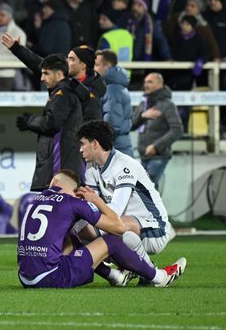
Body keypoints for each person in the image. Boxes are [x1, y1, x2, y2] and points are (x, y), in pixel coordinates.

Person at [17, 169, 187, 288]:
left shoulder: (33, 200)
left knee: (71, 237)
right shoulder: (73, 202)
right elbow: (119, 227)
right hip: (51, 277)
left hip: (25, 277)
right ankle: (159, 277)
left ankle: (116, 277)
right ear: (75, 191)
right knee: (111, 241)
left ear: (53, 182)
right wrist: (96, 200)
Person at [76, 120, 177, 285]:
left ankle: (148, 272)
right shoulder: (91, 168)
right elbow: (92, 208)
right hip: (126, 228)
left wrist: (94, 201)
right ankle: (124, 274)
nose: (80, 149)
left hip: (155, 229)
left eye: (83, 144)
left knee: (112, 227)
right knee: (78, 231)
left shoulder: (124, 166)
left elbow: (114, 211)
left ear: (95, 144)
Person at [15, 54, 84, 191]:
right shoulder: (60, 92)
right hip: (58, 163)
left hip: (58, 165)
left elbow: (51, 123)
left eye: (46, 74)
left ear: (59, 74)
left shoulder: (62, 93)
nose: (42, 78)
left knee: (58, 204)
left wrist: (30, 121)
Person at [131, 73, 183, 189]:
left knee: (146, 187)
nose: (146, 85)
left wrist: (156, 146)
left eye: (150, 82)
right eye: (145, 82)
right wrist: (143, 115)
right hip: (143, 156)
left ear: (160, 85)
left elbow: (177, 130)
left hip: (159, 156)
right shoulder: (143, 104)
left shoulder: (168, 105)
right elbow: (131, 125)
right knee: (150, 191)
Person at [94, 49, 134, 157]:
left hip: (115, 150)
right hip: (119, 148)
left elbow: (111, 124)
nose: (94, 68)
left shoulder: (111, 89)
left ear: (106, 66)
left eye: (97, 65)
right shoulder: (116, 86)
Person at [67, 45, 107, 121]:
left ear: (83, 65)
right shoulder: (70, 83)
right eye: (68, 58)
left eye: (71, 59)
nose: (67, 62)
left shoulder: (91, 93)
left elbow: (91, 125)